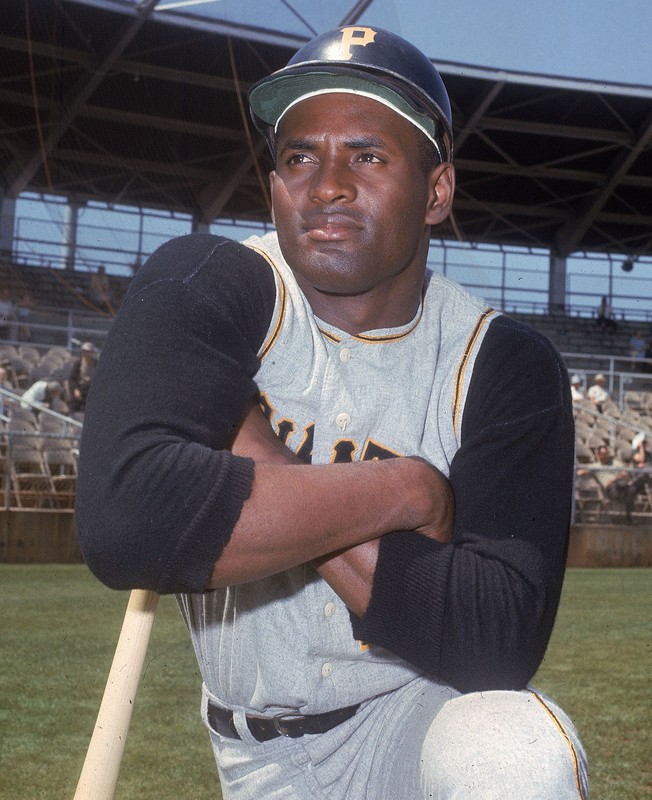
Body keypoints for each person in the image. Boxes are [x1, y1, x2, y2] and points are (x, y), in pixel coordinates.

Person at [76, 26, 587, 800]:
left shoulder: (503, 359)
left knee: (513, 752)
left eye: (368, 156)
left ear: (438, 192)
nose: (326, 185)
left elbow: (495, 639)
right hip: (250, 751)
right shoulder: (211, 282)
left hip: (412, 720)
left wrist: (249, 449)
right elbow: (129, 524)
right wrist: (407, 489)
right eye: (298, 157)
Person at [66, 341, 97, 413]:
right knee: (74, 407)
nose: (85, 353)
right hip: (80, 388)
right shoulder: (78, 363)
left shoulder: (96, 363)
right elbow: (72, 378)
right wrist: (75, 390)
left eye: (88, 351)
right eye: (84, 351)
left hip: (91, 390)